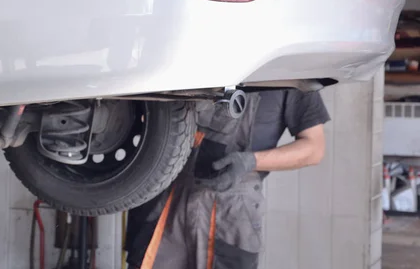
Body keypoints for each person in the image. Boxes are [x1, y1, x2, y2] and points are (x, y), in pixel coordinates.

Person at [125, 88, 331, 269]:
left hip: (232, 210)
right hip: (166, 195)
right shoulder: (188, 53)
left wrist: (251, 161)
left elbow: (314, 148)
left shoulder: (289, 72)